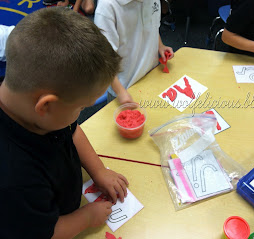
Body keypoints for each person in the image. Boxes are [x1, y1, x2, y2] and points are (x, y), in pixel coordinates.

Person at [0, 7, 128, 239]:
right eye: (81, 108)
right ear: (46, 106)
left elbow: (73, 130)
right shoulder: (14, 178)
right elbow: (40, 233)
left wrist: (98, 170)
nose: (79, 115)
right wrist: (87, 218)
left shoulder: (30, 103)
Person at [94, 0, 174, 103]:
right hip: (124, 88)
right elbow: (104, 60)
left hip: (150, 77)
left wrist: (160, 45)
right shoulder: (107, 7)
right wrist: (120, 92)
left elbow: (151, 23)